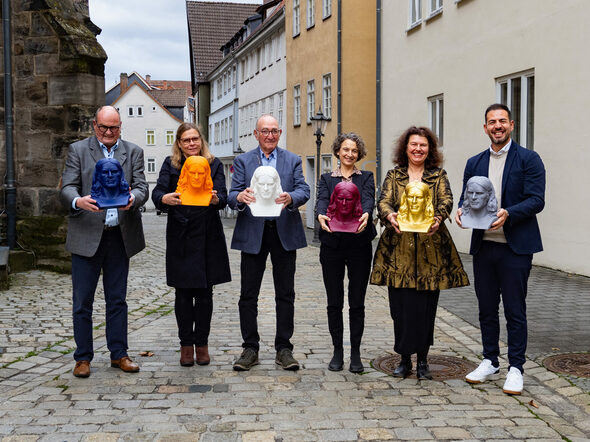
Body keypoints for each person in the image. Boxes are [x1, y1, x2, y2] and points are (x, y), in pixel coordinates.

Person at [457, 104, 545, 395]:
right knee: (485, 309)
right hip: (484, 247)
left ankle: (516, 368)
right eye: (492, 122)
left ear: (511, 125)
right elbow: (466, 198)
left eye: (502, 121)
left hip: (515, 248)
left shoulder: (529, 159)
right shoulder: (475, 162)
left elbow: (536, 200)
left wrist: (510, 212)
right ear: (485, 128)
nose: (497, 126)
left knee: (514, 311)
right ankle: (490, 360)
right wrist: (459, 211)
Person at [371, 126, 469, 380]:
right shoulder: (395, 175)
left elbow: (447, 200)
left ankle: (423, 360)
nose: (418, 149)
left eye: (423, 145)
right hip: (398, 250)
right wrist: (388, 214)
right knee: (400, 307)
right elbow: (383, 201)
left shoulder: (438, 176)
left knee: (425, 307)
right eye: (414, 144)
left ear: (430, 150)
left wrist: (438, 217)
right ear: (406, 148)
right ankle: (404, 359)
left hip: (430, 251)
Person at [60, 105, 148, 378]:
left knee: (117, 300)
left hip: (119, 238)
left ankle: (119, 354)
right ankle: (83, 358)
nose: (109, 132)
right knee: (82, 302)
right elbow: (67, 187)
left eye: (114, 127)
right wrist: (78, 201)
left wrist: (134, 199)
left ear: (120, 126)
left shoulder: (132, 151)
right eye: (103, 128)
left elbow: (142, 187)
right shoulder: (78, 150)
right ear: (94, 126)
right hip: (86, 235)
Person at [229, 114, 310, 371]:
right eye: (265, 131)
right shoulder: (243, 161)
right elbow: (232, 195)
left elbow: (304, 189)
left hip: (284, 232)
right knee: (248, 295)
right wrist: (239, 196)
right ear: (256, 134)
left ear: (280, 132)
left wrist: (291, 197)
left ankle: (284, 348)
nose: (270, 135)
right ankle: (250, 348)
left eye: (274, 131)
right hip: (253, 233)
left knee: (285, 294)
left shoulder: (292, 160)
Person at [152, 123, 231, 367]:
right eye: (186, 140)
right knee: (183, 293)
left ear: (201, 140)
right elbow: (157, 193)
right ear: (179, 143)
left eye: (195, 139)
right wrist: (164, 199)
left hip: (208, 234)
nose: (191, 143)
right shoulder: (170, 164)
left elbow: (224, 196)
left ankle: (202, 344)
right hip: (181, 234)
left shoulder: (214, 163)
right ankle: (186, 344)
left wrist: (217, 198)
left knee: (205, 294)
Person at [317, 132, 376, 373]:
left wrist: (367, 213)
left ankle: (355, 352)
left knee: (356, 302)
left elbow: (370, 199)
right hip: (332, 244)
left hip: (359, 244)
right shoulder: (326, 178)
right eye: (345, 149)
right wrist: (320, 213)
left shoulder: (367, 177)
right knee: (334, 301)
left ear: (358, 154)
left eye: (354, 150)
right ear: (338, 152)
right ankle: (337, 351)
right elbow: (321, 200)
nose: (349, 154)